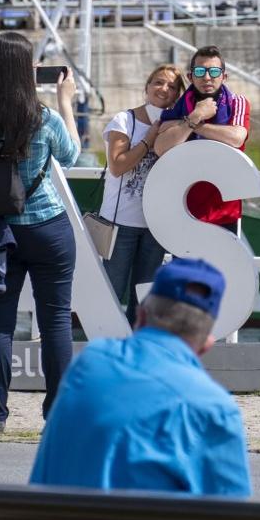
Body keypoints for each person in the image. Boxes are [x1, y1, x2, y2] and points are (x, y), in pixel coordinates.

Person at [29, 258, 251, 497]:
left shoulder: (89, 362)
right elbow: (232, 516)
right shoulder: (214, 409)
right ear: (206, 345)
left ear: (141, 316)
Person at [0, 32, 81, 436]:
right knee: (56, 323)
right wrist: (66, 101)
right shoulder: (43, 118)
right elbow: (70, 155)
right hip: (47, 227)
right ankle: (57, 417)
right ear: (27, 69)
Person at [100, 64, 183, 325]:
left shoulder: (177, 126)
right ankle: (107, 351)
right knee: (111, 293)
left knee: (144, 301)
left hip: (154, 226)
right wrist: (148, 140)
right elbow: (118, 166)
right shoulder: (124, 120)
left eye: (171, 86)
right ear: (146, 87)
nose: (164, 89)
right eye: (158, 82)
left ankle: (136, 354)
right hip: (120, 224)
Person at [154, 46, 251, 234]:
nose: (207, 77)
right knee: (185, 263)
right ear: (191, 77)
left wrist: (192, 123)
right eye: (200, 71)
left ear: (224, 76)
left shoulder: (236, 102)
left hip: (224, 206)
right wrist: (196, 115)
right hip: (182, 203)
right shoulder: (179, 106)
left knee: (223, 263)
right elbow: (160, 147)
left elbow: (236, 138)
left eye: (214, 71)